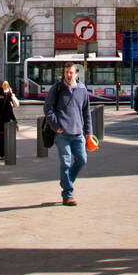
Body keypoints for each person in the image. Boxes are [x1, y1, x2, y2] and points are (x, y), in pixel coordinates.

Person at [43, 62, 92, 206]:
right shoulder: (57, 88)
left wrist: (89, 133)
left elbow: (86, 112)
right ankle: (67, 194)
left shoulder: (82, 89)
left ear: (76, 73)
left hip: (78, 133)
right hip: (62, 134)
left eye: (71, 72)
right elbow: (48, 108)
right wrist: (56, 126)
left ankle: (66, 181)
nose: (68, 75)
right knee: (65, 163)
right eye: (66, 72)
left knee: (82, 160)